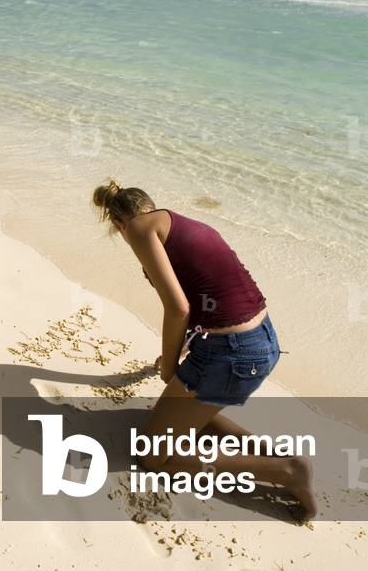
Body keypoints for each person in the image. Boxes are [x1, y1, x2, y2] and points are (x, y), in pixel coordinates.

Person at [92, 179, 316, 519]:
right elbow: (207, 298)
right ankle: (274, 456)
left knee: (154, 455)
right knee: (178, 417)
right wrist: (177, 352)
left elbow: (178, 308)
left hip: (230, 354)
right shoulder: (180, 225)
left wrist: (169, 368)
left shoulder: (137, 229)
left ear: (120, 224)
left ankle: (286, 472)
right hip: (261, 339)